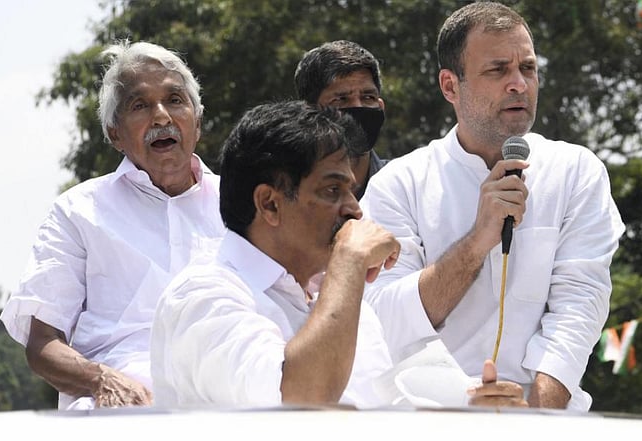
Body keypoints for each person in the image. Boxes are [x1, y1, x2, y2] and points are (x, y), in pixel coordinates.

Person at [150, 100, 527, 409]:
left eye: (351, 191)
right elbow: (301, 403)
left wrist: (472, 411)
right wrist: (347, 262)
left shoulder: (339, 298)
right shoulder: (202, 297)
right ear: (270, 204)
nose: (355, 210)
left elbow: (383, 411)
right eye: (332, 191)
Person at [359, 1, 625, 411]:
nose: (519, 84)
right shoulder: (399, 185)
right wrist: (477, 240)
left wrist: (534, 415)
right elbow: (385, 321)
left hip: (542, 417)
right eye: (498, 70)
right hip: (429, 419)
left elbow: (579, 307)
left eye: (528, 68)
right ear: (450, 86)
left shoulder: (575, 171)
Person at [0, 40, 225, 409]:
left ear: (197, 123)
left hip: (231, 403)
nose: (162, 117)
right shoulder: (78, 211)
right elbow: (42, 344)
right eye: (140, 105)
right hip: (122, 409)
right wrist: (99, 379)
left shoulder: (242, 205)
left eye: (175, 100)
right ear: (114, 133)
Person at [295, 40, 388, 200]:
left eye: (368, 97)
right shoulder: (288, 193)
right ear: (308, 113)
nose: (358, 107)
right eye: (341, 100)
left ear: (380, 106)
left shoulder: (405, 187)